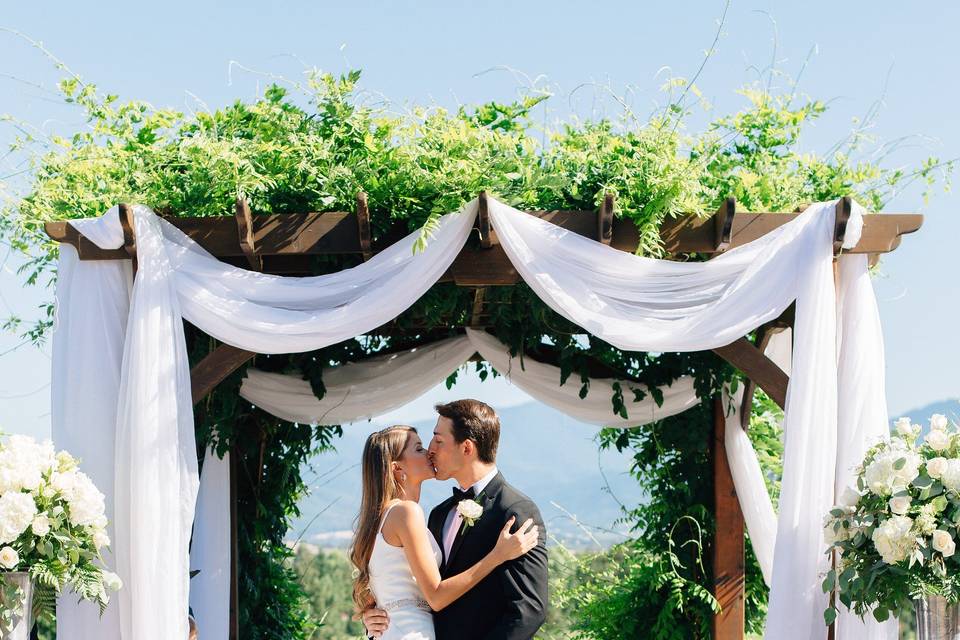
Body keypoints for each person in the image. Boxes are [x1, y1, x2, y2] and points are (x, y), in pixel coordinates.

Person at [363, 400, 549, 640]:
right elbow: (421, 588)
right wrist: (377, 613)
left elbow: (528, 611)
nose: (431, 449)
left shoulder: (515, 510)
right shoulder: (438, 514)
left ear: (467, 448)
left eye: (439, 441)